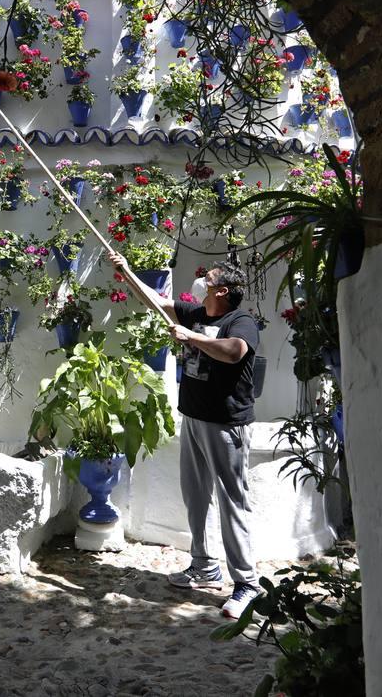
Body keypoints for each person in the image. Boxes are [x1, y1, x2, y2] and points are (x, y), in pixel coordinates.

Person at [108, 252, 262, 619]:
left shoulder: (240, 321)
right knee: (196, 497)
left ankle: (247, 584)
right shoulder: (198, 313)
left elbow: (234, 352)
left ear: (221, 290)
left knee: (231, 502)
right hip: (194, 418)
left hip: (226, 424)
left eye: (206, 279)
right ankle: (204, 566)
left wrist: (191, 337)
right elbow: (157, 302)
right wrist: (126, 270)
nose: (199, 281)